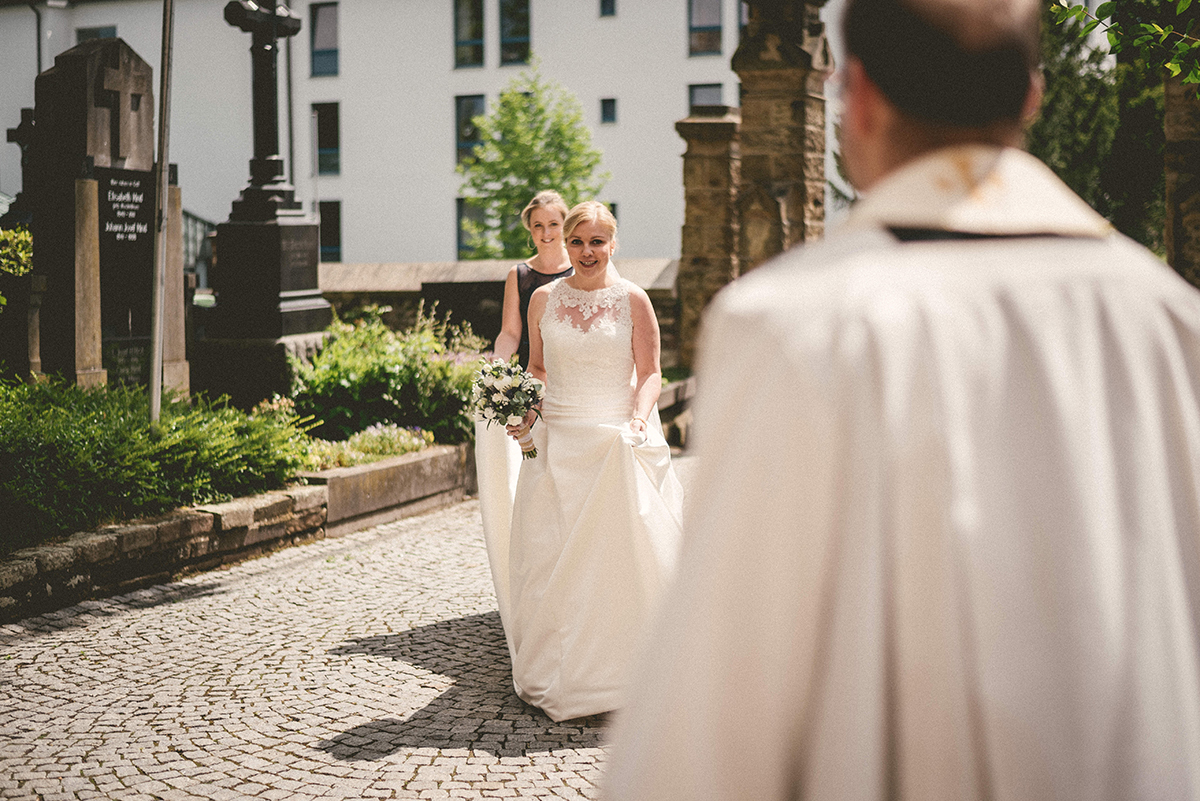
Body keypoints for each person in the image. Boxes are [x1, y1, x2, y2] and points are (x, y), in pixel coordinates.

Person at [604, 0, 1200, 798]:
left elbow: (722, 692)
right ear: (1031, 95)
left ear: (859, 96)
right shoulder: (1165, 317)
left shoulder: (788, 327)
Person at [503, 200, 683, 722]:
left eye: (597, 242)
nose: (586, 252)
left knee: (616, 561)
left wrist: (639, 420)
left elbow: (650, 373)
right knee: (553, 560)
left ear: (613, 244)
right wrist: (526, 412)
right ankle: (560, 671)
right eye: (578, 241)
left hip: (614, 442)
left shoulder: (634, 300)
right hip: (557, 446)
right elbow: (536, 366)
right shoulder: (542, 300)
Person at [475, 191, 575, 658]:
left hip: (575, 378)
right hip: (536, 377)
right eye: (539, 225)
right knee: (539, 474)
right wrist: (497, 370)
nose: (547, 232)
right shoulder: (520, 275)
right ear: (530, 228)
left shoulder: (582, 264)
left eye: (554, 224)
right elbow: (511, 332)